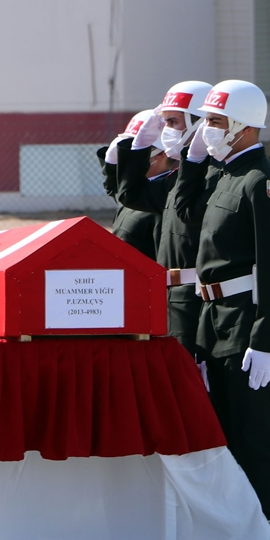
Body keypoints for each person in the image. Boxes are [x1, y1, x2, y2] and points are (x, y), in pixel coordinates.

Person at [174, 79, 270, 540]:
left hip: (249, 328)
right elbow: (181, 214)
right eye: (206, 120)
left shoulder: (262, 184)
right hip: (218, 324)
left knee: (259, 441)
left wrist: (267, 338)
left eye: (217, 122)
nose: (208, 129)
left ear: (246, 125)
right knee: (229, 445)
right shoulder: (224, 177)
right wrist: (193, 159)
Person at [108, 81, 214, 357]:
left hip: (202, 305)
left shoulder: (219, 177)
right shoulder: (174, 181)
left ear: (199, 122)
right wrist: (138, 146)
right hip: (174, 304)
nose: (167, 130)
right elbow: (129, 196)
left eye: (173, 121)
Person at [99, 112, 164, 261]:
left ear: (161, 154)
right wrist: (110, 164)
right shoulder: (133, 191)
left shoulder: (162, 196)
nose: (127, 155)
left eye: (136, 148)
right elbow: (115, 187)